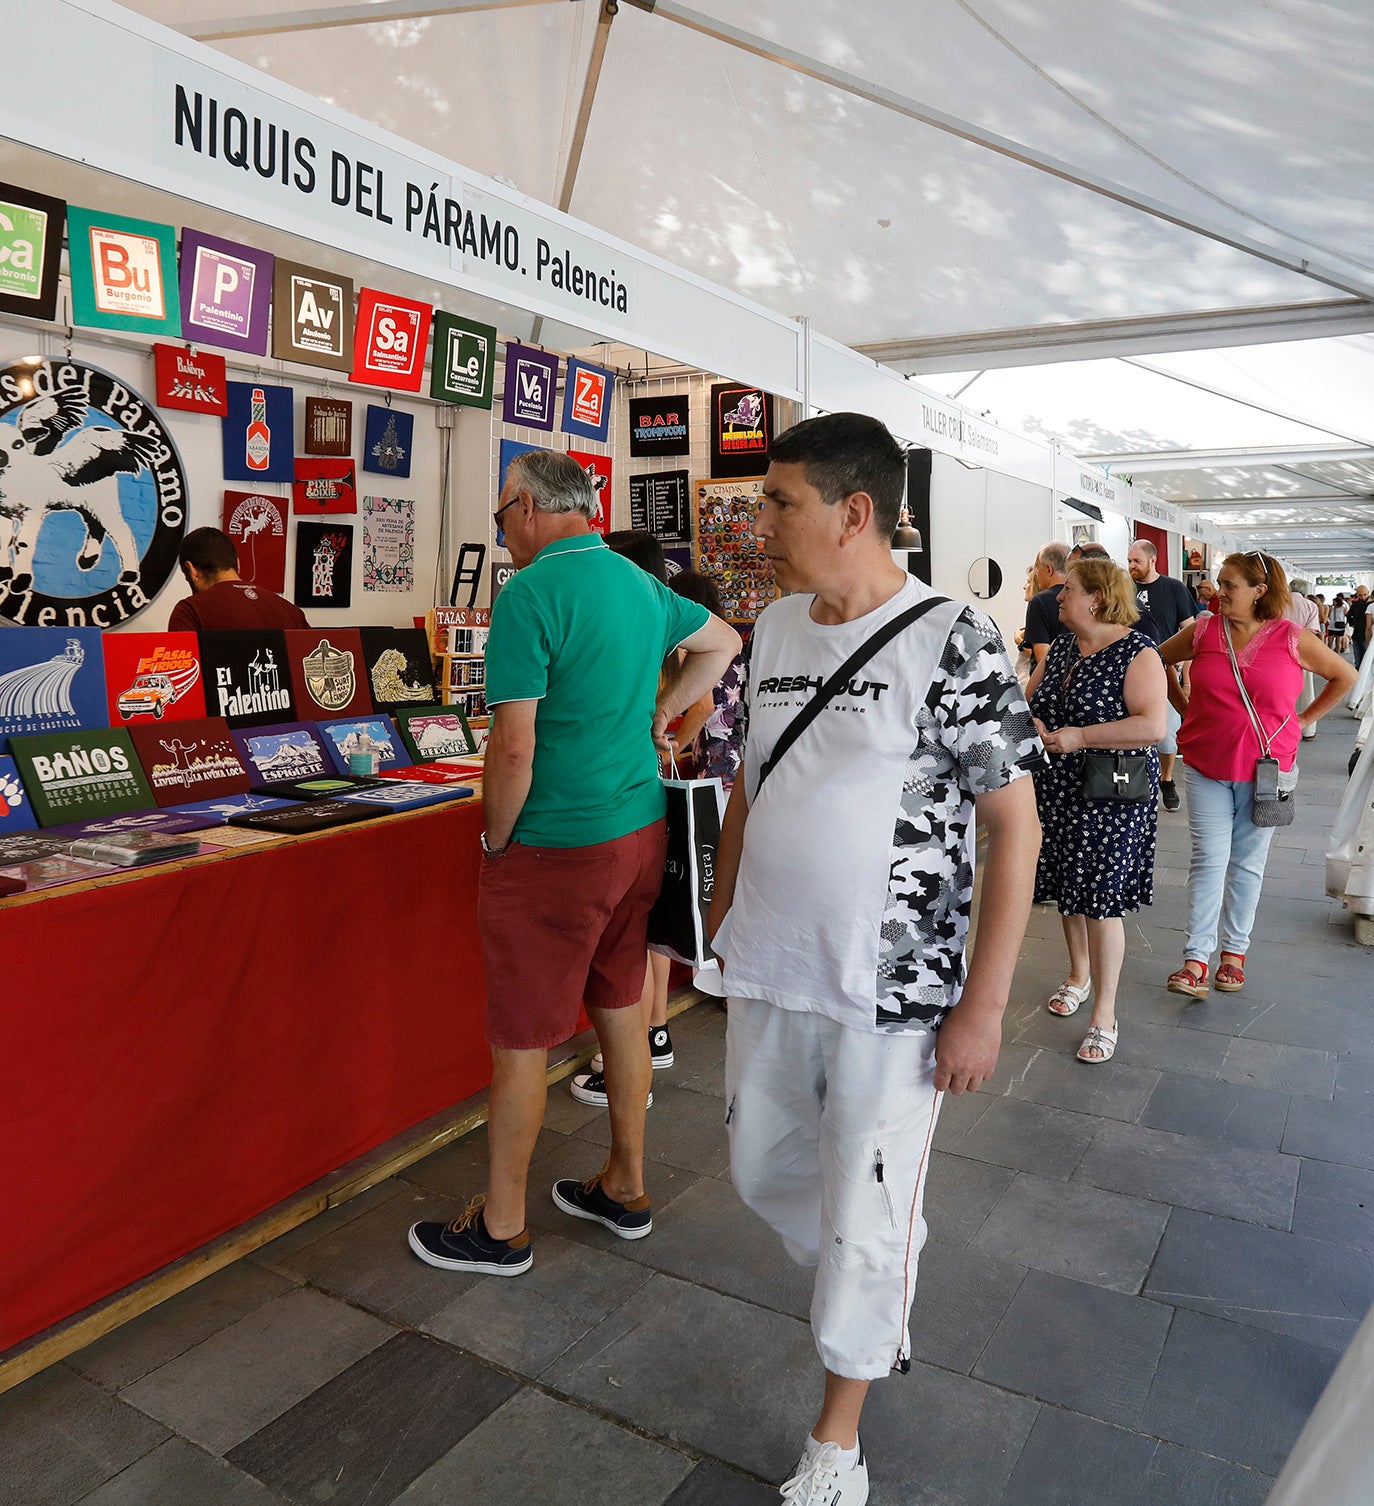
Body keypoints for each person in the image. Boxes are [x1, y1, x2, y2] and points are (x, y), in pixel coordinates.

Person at [708, 412, 1043, 1505]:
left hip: (891, 995)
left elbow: (1014, 825)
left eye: (779, 502)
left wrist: (982, 1010)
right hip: (769, 967)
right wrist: (722, 917)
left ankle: (836, 1444)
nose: (760, 522)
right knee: (760, 1169)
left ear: (855, 512)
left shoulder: (952, 634)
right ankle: (879, 1244)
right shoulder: (769, 633)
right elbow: (750, 788)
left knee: (861, 1217)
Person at [408, 451, 739, 1274]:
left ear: (524, 506)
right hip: (636, 830)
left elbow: (513, 749)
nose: (502, 531)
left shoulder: (529, 594)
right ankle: (624, 1185)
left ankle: (503, 1227)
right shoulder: (635, 581)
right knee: (622, 1004)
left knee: (522, 1036)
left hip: (557, 843)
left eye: (499, 515)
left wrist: (494, 839)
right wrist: (659, 715)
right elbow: (723, 641)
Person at [1159, 552, 1356, 997]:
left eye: (1228, 585)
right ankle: (1195, 960)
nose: (1217, 592)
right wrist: (1184, 710)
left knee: (1247, 863)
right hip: (1207, 764)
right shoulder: (1205, 630)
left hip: (1266, 770)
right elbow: (1156, 660)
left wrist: (1303, 721)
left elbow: (1344, 675)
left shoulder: (1290, 637)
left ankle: (1234, 953)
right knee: (1209, 860)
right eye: (1217, 583)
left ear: (1259, 591)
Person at [567, 537, 716, 1109]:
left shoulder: (648, 627)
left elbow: (698, 705)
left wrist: (661, 738)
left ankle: (636, 1051)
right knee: (647, 933)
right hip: (648, 798)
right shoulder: (661, 626)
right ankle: (652, 1037)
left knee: (636, 942)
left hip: (633, 798)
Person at [1027, 558, 1168, 1064]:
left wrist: (1079, 737)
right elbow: (1031, 699)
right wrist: (1038, 722)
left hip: (1111, 794)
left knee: (1101, 901)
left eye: (1069, 590)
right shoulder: (1063, 646)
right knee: (1069, 889)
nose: (1059, 597)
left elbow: (1153, 726)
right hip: (1058, 788)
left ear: (1099, 598)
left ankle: (1104, 1012)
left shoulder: (1136, 651)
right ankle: (1077, 975)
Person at [1126, 539, 1195, 811]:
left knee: (1167, 736)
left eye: (1136, 561)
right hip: (1127, 672)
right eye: (1129, 560)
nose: (1131, 566)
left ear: (1152, 560)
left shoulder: (1174, 589)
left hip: (1165, 673)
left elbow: (1190, 634)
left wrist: (1187, 680)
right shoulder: (1123, 588)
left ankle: (1166, 779)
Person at [168, 527, 309, 631]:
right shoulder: (292, 611)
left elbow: (183, 670)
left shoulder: (190, 611)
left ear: (192, 570)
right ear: (238, 563)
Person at [1284, 578, 1325, 740]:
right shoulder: (1310, 605)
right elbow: (1312, 631)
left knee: (1281, 692)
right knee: (1306, 691)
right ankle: (1308, 730)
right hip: (1303, 652)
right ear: (1305, 591)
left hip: (1279, 651)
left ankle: (1280, 727)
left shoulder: (1279, 603)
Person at [1023, 542, 1070, 667]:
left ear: (1049, 569)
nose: (1036, 574)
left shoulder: (1039, 602)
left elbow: (1043, 657)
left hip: (1050, 681)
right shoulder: (1083, 597)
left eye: (1037, 568)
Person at [1349, 584, 1370, 663]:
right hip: (1357, 634)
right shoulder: (1356, 605)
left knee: (1367, 660)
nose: (1363, 597)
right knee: (1358, 661)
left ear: (1368, 593)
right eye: (1360, 595)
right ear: (1357, 594)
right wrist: (1353, 624)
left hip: (1366, 635)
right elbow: (1348, 615)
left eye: (1365, 595)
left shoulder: (1371, 605)